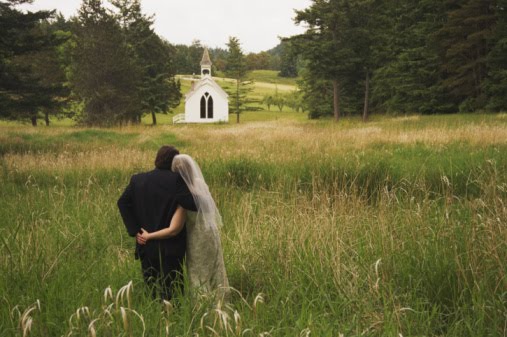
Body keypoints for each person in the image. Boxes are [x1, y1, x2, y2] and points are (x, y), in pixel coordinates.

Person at [137, 154, 229, 298]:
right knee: (215, 271)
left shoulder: (184, 197)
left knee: (198, 276)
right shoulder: (200, 183)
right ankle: (220, 303)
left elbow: (173, 230)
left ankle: (205, 312)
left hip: (197, 240)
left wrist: (149, 235)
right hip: (211, 234)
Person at [117, 145, 197, 300]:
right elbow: (193, 204)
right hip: (171, 246)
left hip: (145, 244)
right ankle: (171, 319)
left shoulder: (137, 179)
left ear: (157, 159)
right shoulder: (177, 180)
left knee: (151, 287)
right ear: (174, 162)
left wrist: (136, 231)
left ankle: (155, 318)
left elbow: (122, 203)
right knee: (173, 290)